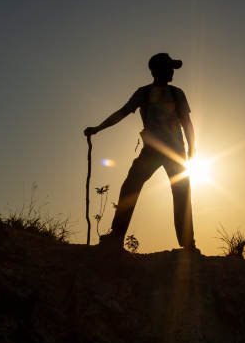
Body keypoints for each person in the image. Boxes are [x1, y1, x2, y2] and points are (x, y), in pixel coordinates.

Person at [84, 53, 197, 251]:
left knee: (181, 194)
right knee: (131, 187)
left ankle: (188, 244)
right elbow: (122, 112)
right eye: (169, 68)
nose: (172, 72)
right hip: (152, 151)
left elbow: (187, 123)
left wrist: (192, 148)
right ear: (158, 70)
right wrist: (98, 128)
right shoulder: (144, 93)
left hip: (176, 153)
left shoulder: (177, 93)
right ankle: (116, 237)